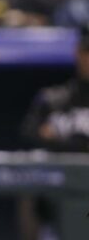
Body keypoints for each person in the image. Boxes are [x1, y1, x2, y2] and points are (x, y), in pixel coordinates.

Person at [19, 24, 89, 240]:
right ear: (78, 53)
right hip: (55, 216)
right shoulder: (53, 99)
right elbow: (30, 135)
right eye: (87, 52)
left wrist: (60, 140)